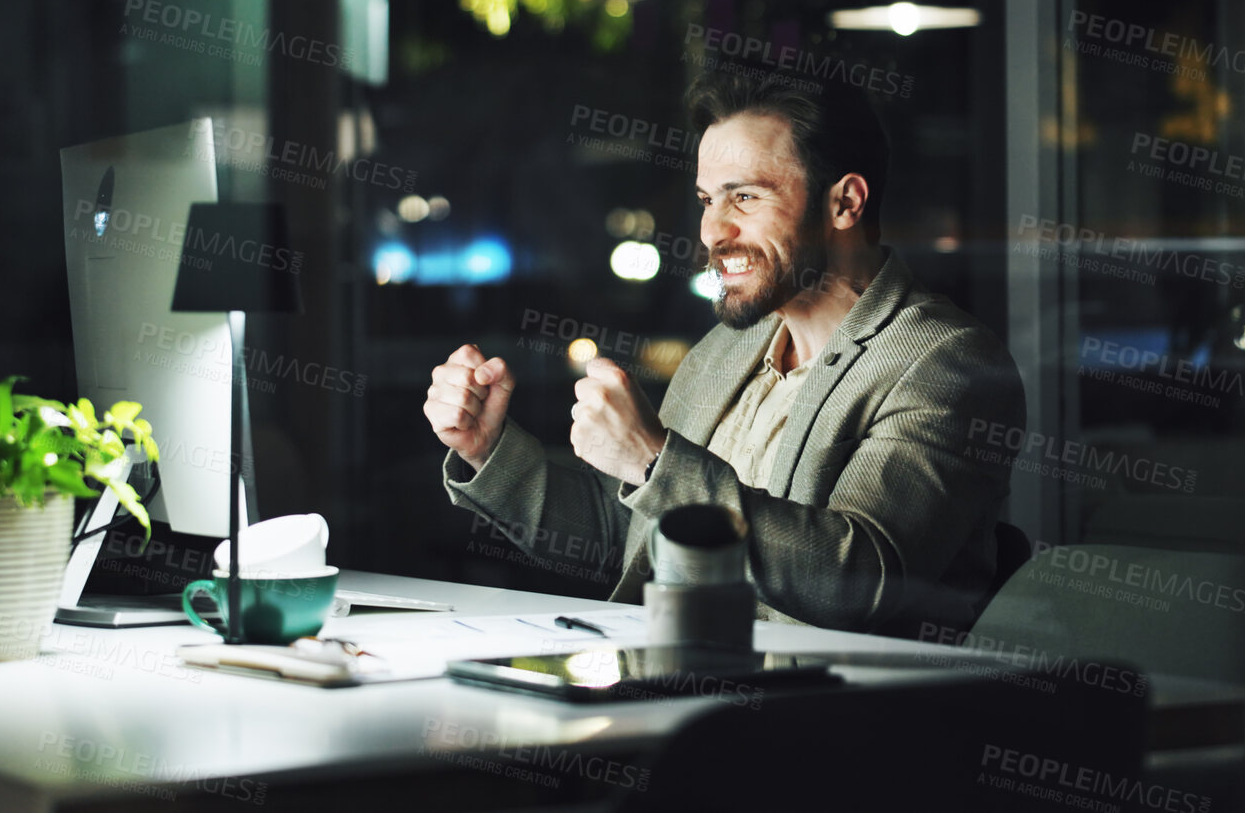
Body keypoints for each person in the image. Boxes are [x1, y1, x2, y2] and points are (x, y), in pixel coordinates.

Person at [426, 71, 1026, 637]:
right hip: (685, 684)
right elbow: (631, 535)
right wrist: (489, 450)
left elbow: (860, 576)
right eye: (707, 199)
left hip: (836, 718)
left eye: (744, 197)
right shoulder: (729, 349)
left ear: (845, 203)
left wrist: (654, 462)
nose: (713, 231)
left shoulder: (945, 365)